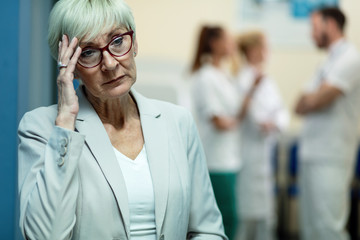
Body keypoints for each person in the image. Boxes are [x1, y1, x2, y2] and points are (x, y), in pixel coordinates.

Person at [17, 0, 227, 239]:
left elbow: (208, 230)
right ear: (71, 67)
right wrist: (66, 123)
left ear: (134, 42)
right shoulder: (41, 128)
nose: (109, 63)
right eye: (88, 52)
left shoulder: (178, 122)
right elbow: (44, 236)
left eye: (117, 42)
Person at [295, 7, 360, 240]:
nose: (311, 35)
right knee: (310, 229)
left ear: (330, 24)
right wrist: (313, 98)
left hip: (332, 156)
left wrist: (314, 97)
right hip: (311, 154)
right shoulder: (327, 62)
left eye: (314, 28)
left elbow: (321, 98)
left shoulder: (351, 58)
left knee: (329, 229)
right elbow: (299, 105)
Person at [190, 25, 260, 240]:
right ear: (214, 43)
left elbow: (235, 114)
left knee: (230, 217)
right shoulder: (206, 76)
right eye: (227, 40)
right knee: (224, 218)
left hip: (230, 158)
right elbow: (219, 120)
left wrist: (253, 89)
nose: (232, 44)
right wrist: (235, 121)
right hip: (215, 161)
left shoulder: (226, 75)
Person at [235, 30, 289, 240]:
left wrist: (275, 123)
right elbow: (253, 116)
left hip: (265, 153)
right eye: (265, 46)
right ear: (253, 50)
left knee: (266, 214)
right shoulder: (242, 79)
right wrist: (268, 122)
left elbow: (282, 112)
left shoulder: (267, 79)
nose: (269, 51)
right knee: (246, 214)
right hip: (248, 154)